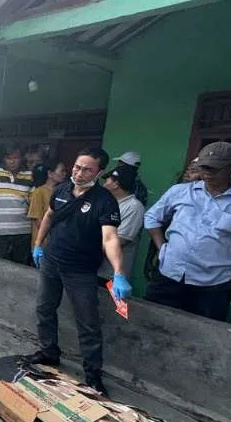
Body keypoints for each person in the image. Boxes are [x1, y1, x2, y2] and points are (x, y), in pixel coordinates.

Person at [27, 147, 130, 395]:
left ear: (99, 172)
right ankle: (49, 352)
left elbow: (110, 238)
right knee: (44, 308)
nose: (80, 173)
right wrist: (39, 245)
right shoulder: (61, 189)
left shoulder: (104, 201)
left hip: (81, 271)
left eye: (87, 169)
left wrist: (119, 272)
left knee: (88, 323)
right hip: (51, 261)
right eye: (76, 167)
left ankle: (93, 375)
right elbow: (49, 217)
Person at [143, 142, 231, 321]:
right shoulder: (180, 192)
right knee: (151, 323)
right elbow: (151, 217)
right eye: (204, 168)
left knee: (201, 335)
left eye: (214, 170)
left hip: (213, 284)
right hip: (170, 274)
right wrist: (162, 248)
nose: (207, 174)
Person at [0, 143, 34, 264]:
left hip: (23, 230)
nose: (12, 162)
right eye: (9, 158)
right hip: (1, 230)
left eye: (15, 158)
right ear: (4, 159)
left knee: (19, 265)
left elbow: (33, 203)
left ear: (21, 158)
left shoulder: (29, 175)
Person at [99, 163, 145, 282]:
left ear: (116, 184)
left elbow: (119, 240)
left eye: (107, 181)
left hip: (111, 274)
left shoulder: (134, 207)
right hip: (96, 269)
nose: (104, 184)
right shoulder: (107, 203)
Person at [27, 159, 67, 249]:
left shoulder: (63, 192)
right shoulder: (38, 192)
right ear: (50, 174)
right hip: (43, 242)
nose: (65, 174)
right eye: (62, 170)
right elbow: (37, 219)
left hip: (58, 242)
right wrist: (51, 236)